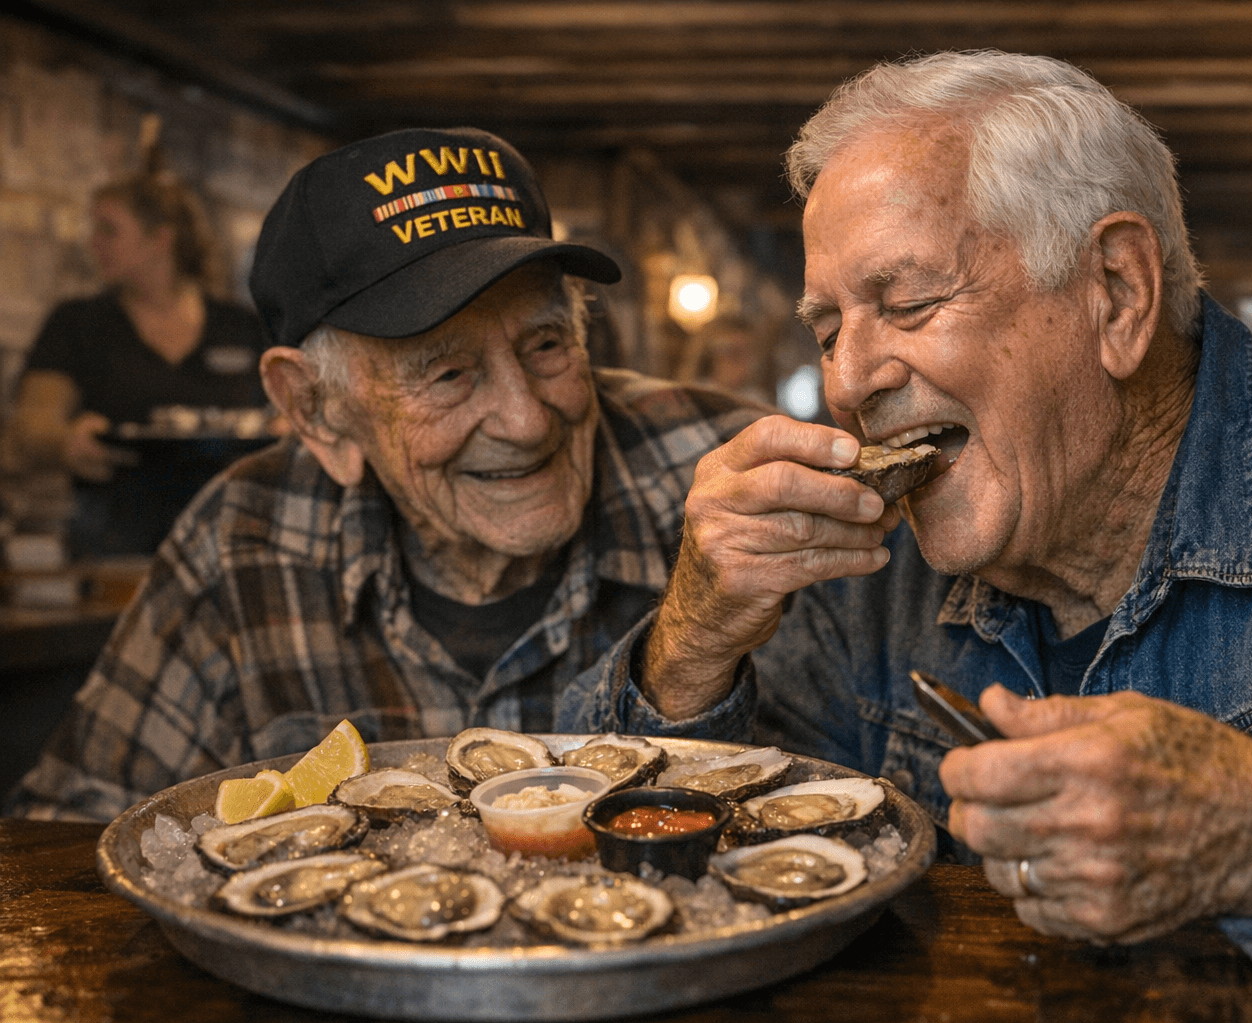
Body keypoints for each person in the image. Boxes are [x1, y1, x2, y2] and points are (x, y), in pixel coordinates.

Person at [559, 52, 1252, 1010]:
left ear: (1115, 290)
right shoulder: (861, 565)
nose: (848, 381)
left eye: (908, 303)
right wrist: (695, 638)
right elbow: (644, 882)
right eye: (827, 330)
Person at [5, 126, 765, 822]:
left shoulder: (727, 474)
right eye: (446, 375)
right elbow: (71, 833)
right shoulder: (239, 542)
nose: (527, 419)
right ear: (313, 408)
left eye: (545, 344)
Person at [8, 164, 271, 555]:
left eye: (108, 230)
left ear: (159, 240)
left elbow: (286, 410)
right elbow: (33, 421)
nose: (93, 243)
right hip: (114, 538)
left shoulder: (241, 326)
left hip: (233, 533)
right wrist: (65, 441)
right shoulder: (76, 321)